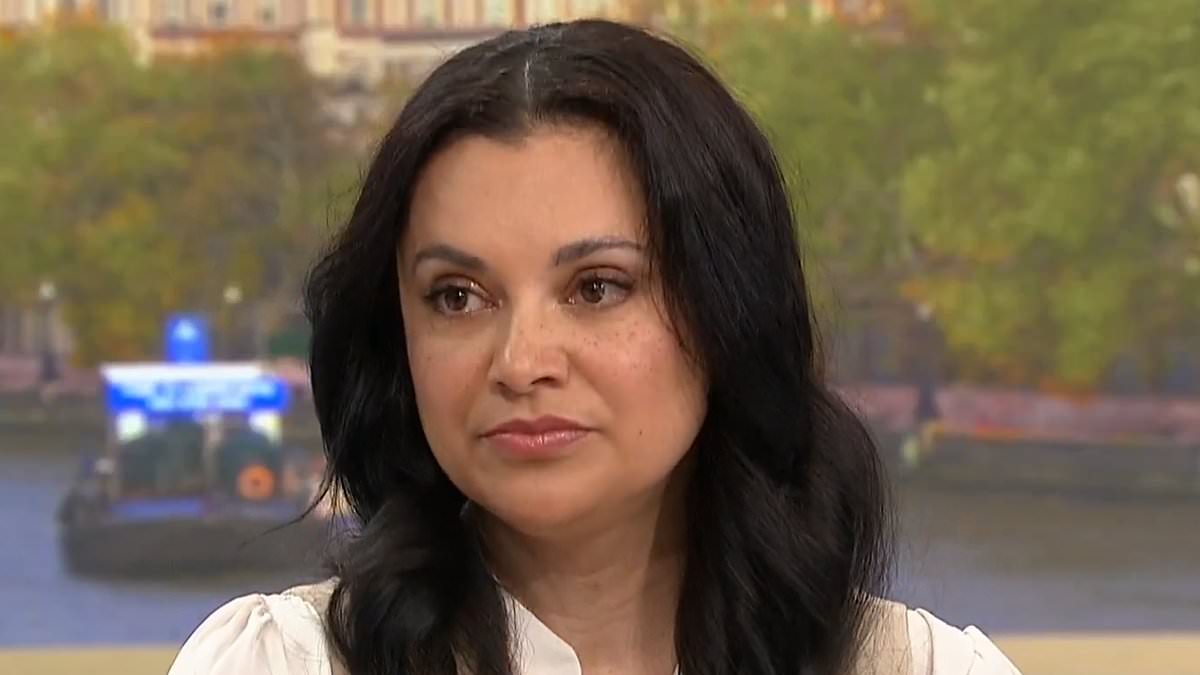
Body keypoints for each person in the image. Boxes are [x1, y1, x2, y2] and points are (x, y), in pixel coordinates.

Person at [168, 19, 1022, 675]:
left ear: (728, 307)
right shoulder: (283, 662)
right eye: (457, 296)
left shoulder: (921, 666)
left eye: (597, 287)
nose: (521, 361)